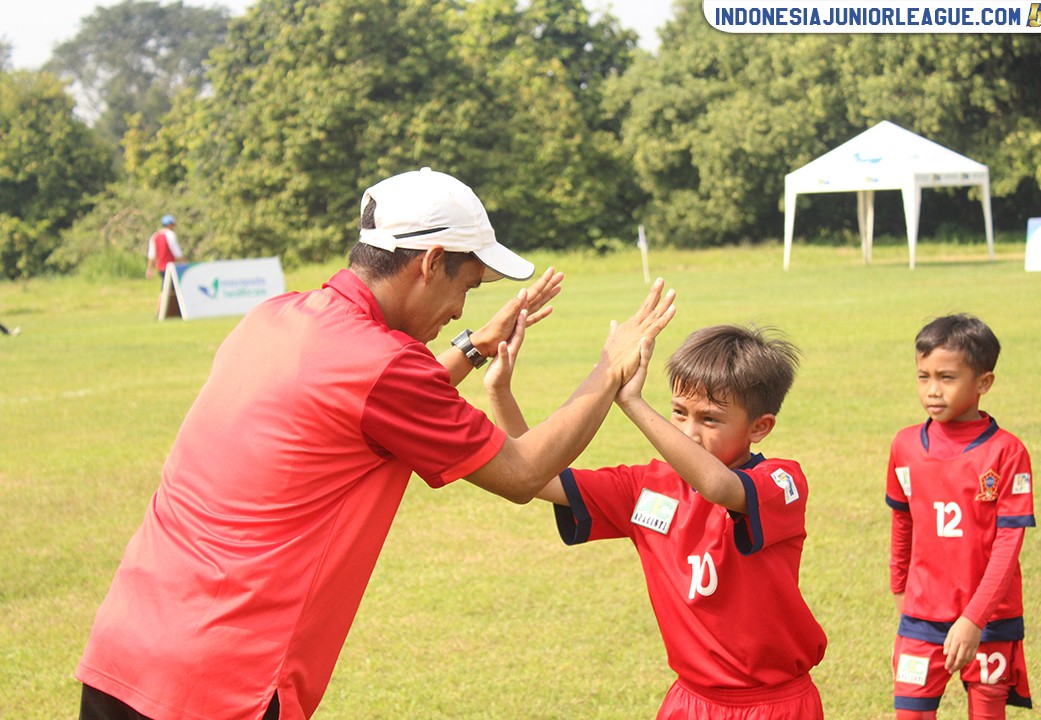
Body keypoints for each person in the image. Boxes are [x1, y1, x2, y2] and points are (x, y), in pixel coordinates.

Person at [75, 167, 676, 720]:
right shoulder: (382, 367)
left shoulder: (276, 317)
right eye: (467, 286)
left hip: (127, 649)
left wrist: (472, 347)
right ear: (431, 261)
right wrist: (610, 369)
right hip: (224, 683)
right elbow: (520, 473)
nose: (459, 310)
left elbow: (371, 408)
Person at [484, 323, 827, 719]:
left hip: (772, 705)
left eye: (710, 420)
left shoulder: (781, 482)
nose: (689, 433)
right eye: (679, 413)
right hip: (689, 701)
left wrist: (632, 402)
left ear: (760, 427)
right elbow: (536, 476)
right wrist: (499, 392)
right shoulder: (645, 487)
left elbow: (718, 486)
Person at [886, 314, 1035, 719]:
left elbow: (1008, 546)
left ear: (983, 383)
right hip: (921, 616)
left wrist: (974, 618)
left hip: (990, 619)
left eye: (947, 378)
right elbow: (902, 522)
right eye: (923, 377)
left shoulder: (1007, 453)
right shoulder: (904, 446)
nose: (932, 390)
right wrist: (900, 589)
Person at [145, 214, 183, 281]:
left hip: (160, 268)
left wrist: (149, 268)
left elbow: (151, 255)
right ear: (170, 225)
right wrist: (184, 263)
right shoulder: (171, 234)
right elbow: (177, 253)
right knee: (173, 286)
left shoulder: (155, 236)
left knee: (166, 285)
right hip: (171, 267)